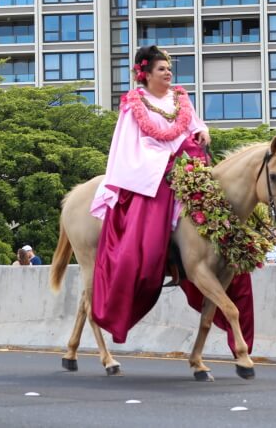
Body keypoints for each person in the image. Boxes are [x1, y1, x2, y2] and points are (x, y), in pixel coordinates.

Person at [90, 45, 239, 346]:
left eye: (169, 68)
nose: (168, 72)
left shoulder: (181, 98)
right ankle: (154, 259)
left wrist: (203, 131)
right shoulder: (135, 105)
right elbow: (131, 145)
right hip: (153, 165)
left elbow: (194, 125)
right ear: (144, 74)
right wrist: (164, 159)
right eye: (161, 68)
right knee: (147, 218)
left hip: (186, 160)